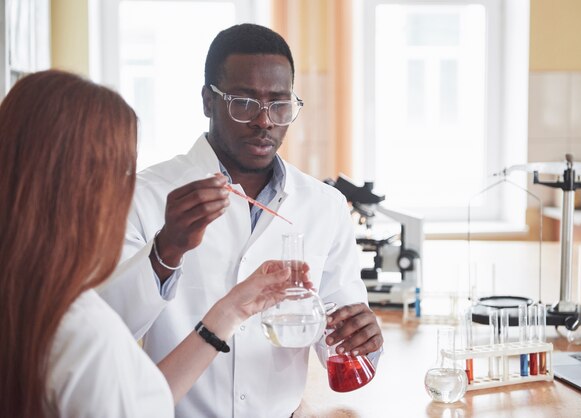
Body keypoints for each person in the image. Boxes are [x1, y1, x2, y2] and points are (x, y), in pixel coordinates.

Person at [99, 23, 384, 417]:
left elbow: (336, 340)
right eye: (244, 102)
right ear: (207, 101)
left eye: (279, 104)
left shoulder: (324, 206)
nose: (264, 121)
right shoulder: (145, 195)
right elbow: (109, 330)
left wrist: (361, 335)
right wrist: (166, 251)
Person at [0, 70, 312, 417]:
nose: (126, 190)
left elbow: (143, 404)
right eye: (121, 174)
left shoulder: (31, 305)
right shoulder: (84, 330)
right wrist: (167, 250)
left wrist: (230, 311)